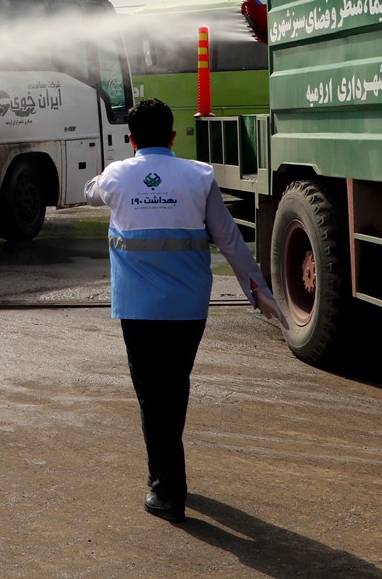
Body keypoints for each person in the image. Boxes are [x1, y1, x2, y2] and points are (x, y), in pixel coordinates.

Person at [84, 98, 284, 523]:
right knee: (174, 389)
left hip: (138, 311)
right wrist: (258, 292)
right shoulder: (198, 177)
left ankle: (168, 490)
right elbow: (229, 240)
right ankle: (171, 481)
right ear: (173, 137)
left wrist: (116, 170)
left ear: (131, 139)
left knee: (151, 396)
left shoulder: (116, 177)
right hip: (188, 309)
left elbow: (90, 193)